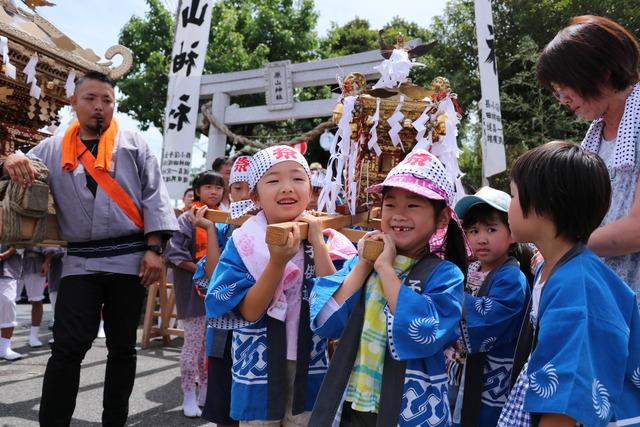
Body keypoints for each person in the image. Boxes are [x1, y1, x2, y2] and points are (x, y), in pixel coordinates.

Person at [1, 70, 178, 426]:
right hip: (80, 262)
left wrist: (155, 249)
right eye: (91, 99)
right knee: (66, 349)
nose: (100, 107)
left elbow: (154, 195)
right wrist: (9, 159)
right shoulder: (51, 148)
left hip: (131, 260)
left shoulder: (133, 143)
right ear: (73, 102)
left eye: (107, 101)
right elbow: (16, 173)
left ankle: (114, 421)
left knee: (122, 350)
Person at [309, 149, 467, 427]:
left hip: (407, 409)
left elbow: (425, 332)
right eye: (390, 205)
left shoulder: (445, 275)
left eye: (413, 205)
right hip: (352, 401)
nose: (398, 215)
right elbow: (325, 321)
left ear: (442, 219)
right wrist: (363, 265)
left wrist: (385, 268)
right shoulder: (362, 265)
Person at [497, 141, 640, 427]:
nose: (508, 206)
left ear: (545, 206)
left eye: (513, 195)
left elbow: (567, 392)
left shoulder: (578, 286)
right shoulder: (553, 269)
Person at [206, 145, 341, 426]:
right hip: (260, 367)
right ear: (255, 195)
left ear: (310, 188)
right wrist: (277, 262)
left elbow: (334, 306)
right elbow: (250, 312)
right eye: (273, 180)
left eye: (297, 178)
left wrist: (317, 244)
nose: (287, 187)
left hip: (309, 362)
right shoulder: (245, 241)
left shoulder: (328, 239)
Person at [536, 15, 640, 302]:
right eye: (556, 93)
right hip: (603, 298)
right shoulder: (594, 135)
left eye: (563, 88)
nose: (562, 100)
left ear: (602, 73)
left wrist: (561, 247)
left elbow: (637, 228)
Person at [447, 187, 529, 427]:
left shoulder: (512, 278)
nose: (481, 238)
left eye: (491, 230)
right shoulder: (471, 270)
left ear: (512, 233)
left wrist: (450, 298)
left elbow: (492, 316)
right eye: (473, 231)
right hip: (459, 372)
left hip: (488, 380)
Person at [165, 170, 225, 417]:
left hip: (221, 291)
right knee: (193, 345)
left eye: (219, 187)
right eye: (208, 187)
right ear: (198, 191)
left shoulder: (227, 217)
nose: (214, 191)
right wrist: (205, 271)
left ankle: (205, 392)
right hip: (193, 292)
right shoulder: (185, 220)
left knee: (211, 347)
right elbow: (174, 254)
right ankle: (188, 393)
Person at [199, 157, 251, 427]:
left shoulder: (276, 228)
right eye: (237, 188)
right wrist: (209, 230)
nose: (244, 196)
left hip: (258, 332)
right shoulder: (221, 226)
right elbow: (212, 275)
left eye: (250, 188)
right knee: (223, 408)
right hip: (225, 330)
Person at [16, 245, 52, 348]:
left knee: (36, 300)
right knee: (8, 301)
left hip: (36, 262)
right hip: (13, 262)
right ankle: (5, 340)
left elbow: (50, 243)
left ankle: (34, 336)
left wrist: (47, 262)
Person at [0, 245, 23, 360]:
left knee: (7, 302)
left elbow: (22, 241)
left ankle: (4, 347)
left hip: (8, 268)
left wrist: (5, 255)